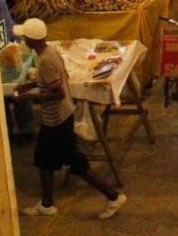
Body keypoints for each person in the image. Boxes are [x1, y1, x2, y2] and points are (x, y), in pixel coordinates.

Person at [15, 19, 127, 218]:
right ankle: (46, 204)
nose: (23, 39)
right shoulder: (51, 52)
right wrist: (28, 85)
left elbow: (56, 93)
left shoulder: (46, 60)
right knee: (44, 160)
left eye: (25, 36)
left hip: (57, 119)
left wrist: (28, 97)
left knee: (76, 164)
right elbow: (60, 78)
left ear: (31, 40)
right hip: (57, 117)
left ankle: (113, 197)